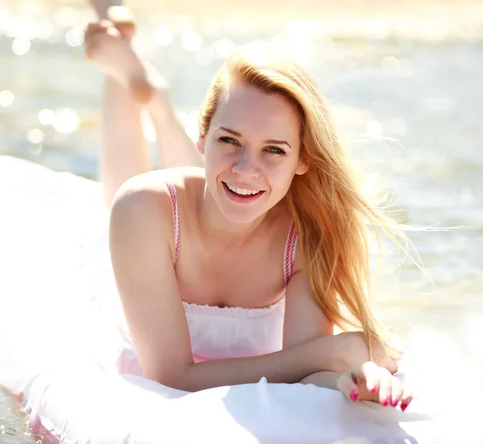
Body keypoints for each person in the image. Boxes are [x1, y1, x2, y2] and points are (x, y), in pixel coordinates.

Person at [84, 1, 412, 410]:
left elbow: (305, 375)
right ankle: (137, 84)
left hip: (204, 206)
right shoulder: (144, 208)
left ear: (303, 161)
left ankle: (155, 96)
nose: (248, 167)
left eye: (274, 150)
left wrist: (351, 379)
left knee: (224, 185)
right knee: (129, 193)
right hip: (145, 242)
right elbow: (169, 376)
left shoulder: (306, 238)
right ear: (201, 136)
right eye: (228, 139)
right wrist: (327, 353)